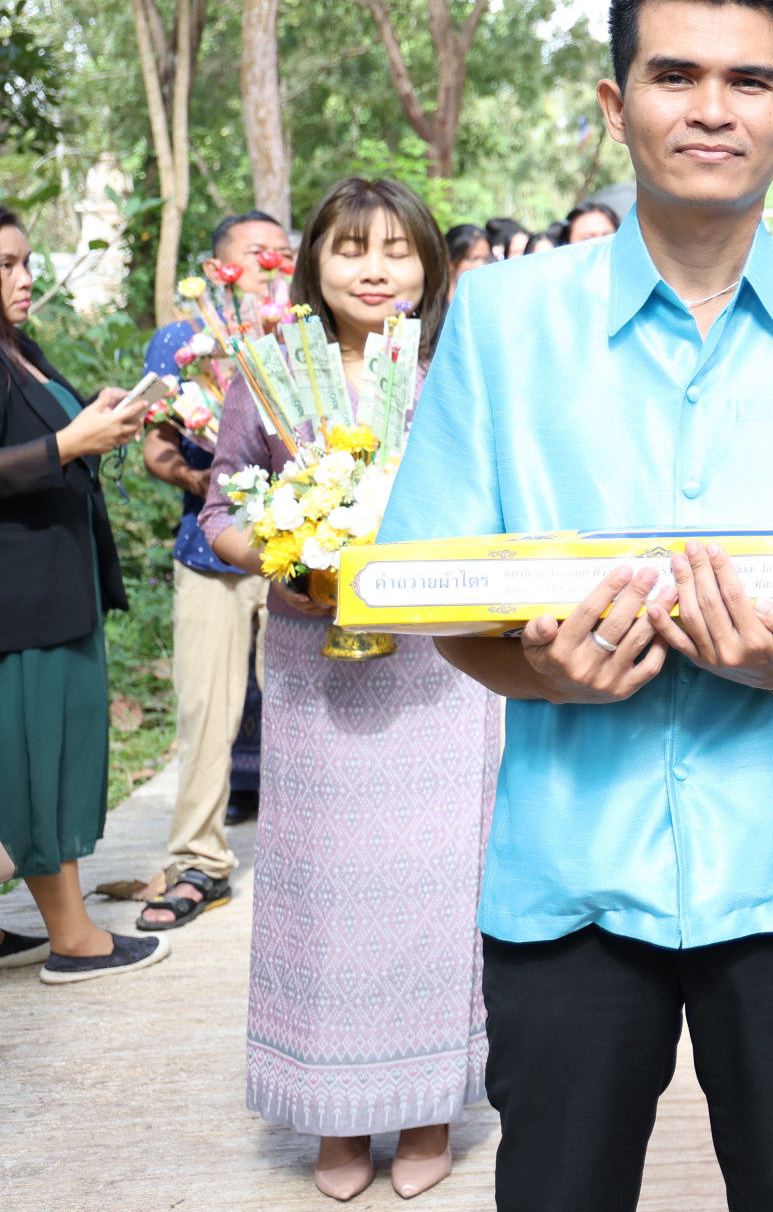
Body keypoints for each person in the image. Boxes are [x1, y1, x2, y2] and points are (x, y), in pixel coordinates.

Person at [378, 0, 773, 1212]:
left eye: (749, 81)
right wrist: (543, 671)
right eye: (675, 74)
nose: (712, 108)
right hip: (568, 876)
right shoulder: (502, 319)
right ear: (614, 103)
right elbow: (433, 596)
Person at [197, 178, 491, 1202]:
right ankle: (330, 1107)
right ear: (315, 263)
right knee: (321, 891)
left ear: (429, 264)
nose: (375, 268)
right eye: (352, 247)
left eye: (398, 250)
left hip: (441, 668)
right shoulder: (267, 373)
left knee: (434, 887)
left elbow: (497, 506)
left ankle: (423, 1106)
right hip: (314, 659)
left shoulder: (456, 374)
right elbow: (220, 503)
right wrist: (280, 550)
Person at [0, 204, 160, 983]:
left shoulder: (19, 349)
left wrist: (96, 417)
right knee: (36, 768)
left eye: (25, 261)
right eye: (5, 265)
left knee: (46, 761)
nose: (25, 278)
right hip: (19, 601)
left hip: (62, 583)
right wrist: (69, 442)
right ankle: (74, 940)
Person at [133, 209, 292, 934]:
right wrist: (212, 488)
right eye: (255, 254)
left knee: (307, 708)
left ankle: (310, 851)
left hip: (302, 554)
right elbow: (157, 446)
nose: (270, 264)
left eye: (281, 253)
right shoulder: (182, 340)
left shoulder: (303, 330)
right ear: (220, 262)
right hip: (212, 552)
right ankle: (200, 860)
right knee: (206, 711)